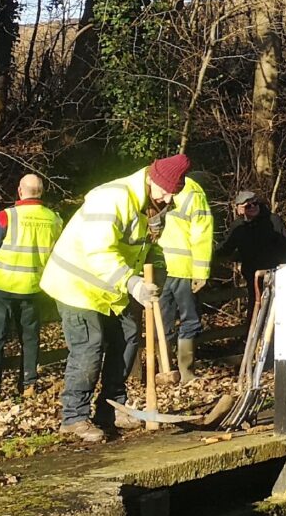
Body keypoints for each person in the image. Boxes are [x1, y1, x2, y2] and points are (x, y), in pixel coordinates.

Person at [42, 155, 190, 442]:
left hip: (110, 286)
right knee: (89, 346)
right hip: (76, 282)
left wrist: (157, 270)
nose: (169, 198)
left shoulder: (155, 204)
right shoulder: (112, 198)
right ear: (151, 179)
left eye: (175, 193)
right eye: (165, 191)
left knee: (128, 337)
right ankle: (73, 417)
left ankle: (112, 408)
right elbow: (98, 250)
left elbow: (146, 245)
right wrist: (131, 283)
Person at [0, 173, 62, 399]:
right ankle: (28, 385)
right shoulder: (54, 219)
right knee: (30, 339)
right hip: (33, 288)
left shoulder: (6, 216)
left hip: (1, 287)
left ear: (20, 191)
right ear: (41, 192)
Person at [153, 171, 212, 383]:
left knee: (162, 319)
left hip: (161, 266)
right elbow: (201, 236)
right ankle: (186, 373)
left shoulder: (167, 191)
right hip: (184, 268)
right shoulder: (196, 196)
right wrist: (201, 273)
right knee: (190, 320)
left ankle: (164, 369)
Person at [219, 189, 286, 322]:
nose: (253, 207)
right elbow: (226, 247)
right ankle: (253, 333)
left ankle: (274, 334)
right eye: (248, 206)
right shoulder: (238, 227)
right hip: (252, 275)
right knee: (255, 306)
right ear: (239, 209)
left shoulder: (273, 220)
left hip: (274, 273)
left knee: (277, 309)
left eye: (255, 203)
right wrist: (210, 254)